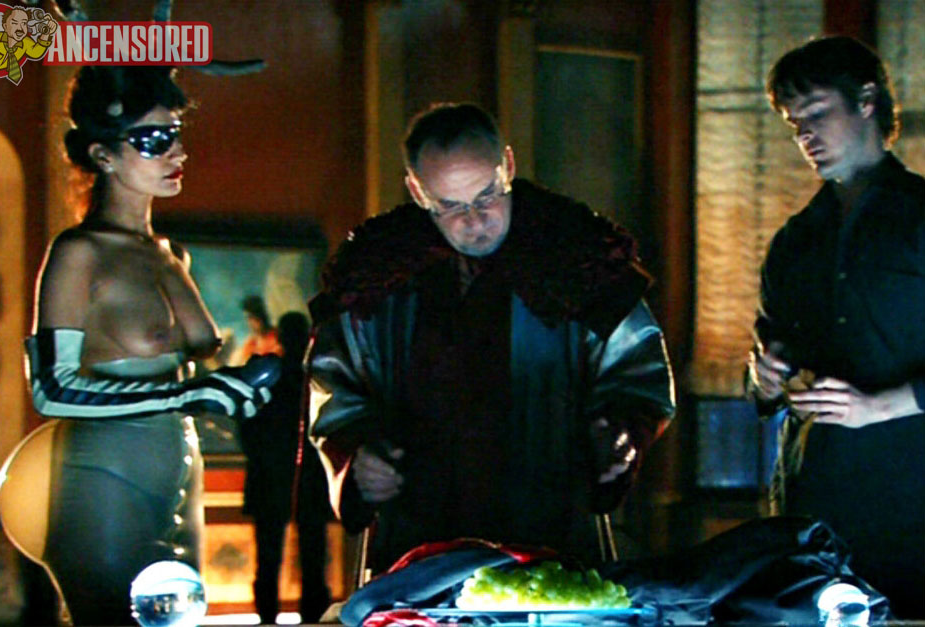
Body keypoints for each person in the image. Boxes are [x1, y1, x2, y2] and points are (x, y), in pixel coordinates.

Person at [306, 102, 675, 576]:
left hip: (552, 534)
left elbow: (638, 375)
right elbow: (334, 388)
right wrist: (358, 458)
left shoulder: (581, 257)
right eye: (451, 206)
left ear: (509, 166)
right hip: (417, 542)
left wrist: (620, 435)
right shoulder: (375, 276)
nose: (475, 221)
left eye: (487, 196)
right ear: (417, 191)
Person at [0, 67, 279, 625]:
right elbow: (51, 390)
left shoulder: (165, 254)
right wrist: (186, 396)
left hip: (176, 473)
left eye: (176, 134)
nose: (176, 152)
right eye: (153, 139)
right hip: (103, 480)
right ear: (103, 155)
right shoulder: (79, 253)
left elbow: (201, 359)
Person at [748, 36, 924, 617]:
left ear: (866, 101)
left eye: (817, 113)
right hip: (818, 504)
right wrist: (764, 377)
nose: (806, 135)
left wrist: (879, 406)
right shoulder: (796, 240)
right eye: (795, 124)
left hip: (913, 495)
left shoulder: (920, 219)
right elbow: (768, 355)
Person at [239, 311, 331, 624]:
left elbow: (248, 427)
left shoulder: (276, 377)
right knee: (309, 554)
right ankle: (306, 617)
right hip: (302, 477)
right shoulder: (312, 377)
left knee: (275, 556)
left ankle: (272, 617)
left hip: (277, 476)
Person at [240, 295, 282, 363]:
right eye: (249, 318)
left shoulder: (280, 336)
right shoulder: (250, 346)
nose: (251, 322)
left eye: (254, 316)